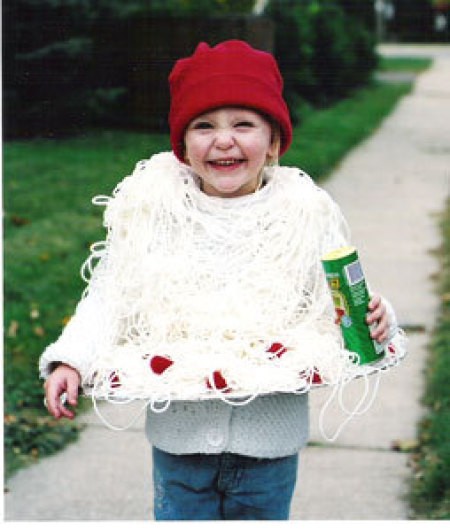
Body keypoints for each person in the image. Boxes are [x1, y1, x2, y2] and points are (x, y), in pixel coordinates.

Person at [40, 40, 400, 520]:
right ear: (182, 146)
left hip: (268, 444)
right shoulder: (158, 215)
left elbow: (338, 299)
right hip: (180, 443)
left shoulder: (301, 215)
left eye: (244, 125)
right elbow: (108, 296)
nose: (223, 140)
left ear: (273, 142)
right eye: (204, 126)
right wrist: (70, 360)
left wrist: (379, 318)